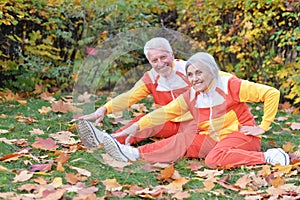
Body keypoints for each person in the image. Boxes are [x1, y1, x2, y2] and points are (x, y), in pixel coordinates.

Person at [102, 52, 290, 168]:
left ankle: (268, 156)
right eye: (190, 74)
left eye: (199, 72)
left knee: (214, 159)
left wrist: (263, 126)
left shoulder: (230, 85)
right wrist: (135, 127)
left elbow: (271, 93)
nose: (194, 78)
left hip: (241, 136)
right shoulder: (192, 96)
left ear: (211, 71)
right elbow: (164, 113)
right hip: (213, 138)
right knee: (183, 140)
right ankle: (134, 153)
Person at [77, 37, 194, 148]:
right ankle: (109, 141)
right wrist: (104, 109)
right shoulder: (151, 77)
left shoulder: (189, 70)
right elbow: (129, 96)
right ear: (149, 62)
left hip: (195, 124)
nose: (160, 63)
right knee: (143, 121)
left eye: (163, 57)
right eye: (154, 60)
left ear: (172, 54)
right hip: (169, 123)